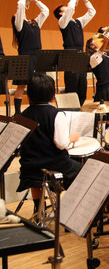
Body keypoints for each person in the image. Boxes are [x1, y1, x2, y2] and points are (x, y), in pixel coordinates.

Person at [17, 73, 82, 212]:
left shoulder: (23, 115)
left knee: (37, 174)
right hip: (54, 165)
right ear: (51, 94)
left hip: (30, 167)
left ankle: (38, 208)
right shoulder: (56, 114)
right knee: (83, 170)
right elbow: (61, 144)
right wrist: (71, 138)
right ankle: (73, 209)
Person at [54, 0, 96, 106]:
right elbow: (71, 9)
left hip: (81, 54)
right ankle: (71, 109)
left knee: (82, 86)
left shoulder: (78, 22)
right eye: (64, 9)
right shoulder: (62, 22)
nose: (68, 9)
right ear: (61, 13)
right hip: (70, 54)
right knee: (72, 85)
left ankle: (80, 107)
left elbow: (92, 12)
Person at [12, 0, 49, 114]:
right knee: (22, 86)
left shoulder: (35, 24)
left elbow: (45, 11)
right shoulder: (19, 26)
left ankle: (37, 108)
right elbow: (21, 8)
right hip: (25, 58)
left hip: (38, 57)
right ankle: (18, 113)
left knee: (39, 84)